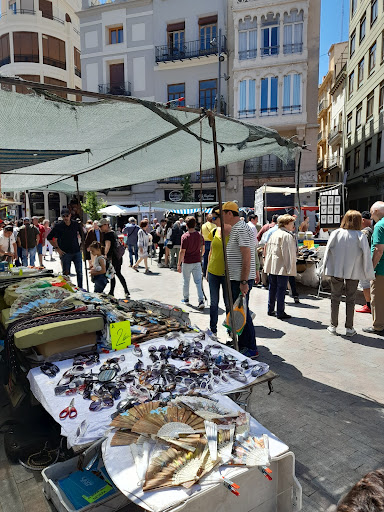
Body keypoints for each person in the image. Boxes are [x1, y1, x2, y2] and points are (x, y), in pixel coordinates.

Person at [322, 210, 375, 336]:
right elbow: (367, 256)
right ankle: (349, 328)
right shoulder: (360, 236)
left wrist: (323, 268)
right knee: (351, 299)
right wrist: (368, 272)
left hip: (336, 270)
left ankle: (333, 325)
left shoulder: (336, 233)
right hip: (354, 271)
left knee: (335, 298)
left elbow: (327, 252)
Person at [223, 201, 257, 357]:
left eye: (222, 214)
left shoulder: (241, 228)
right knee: (239, 312)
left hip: (240, 279)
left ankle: (251, 347)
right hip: (237, 278)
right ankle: (242, 343)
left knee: (243, 313)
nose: (221, 217)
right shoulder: (238, 228)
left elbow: (246, 256)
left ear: (229, 213)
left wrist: (244, 281)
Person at [264, 214, 297, 320]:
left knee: (272, 288)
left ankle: (270, 309)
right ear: (286, 224)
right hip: (282, 266)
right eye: (292, 223)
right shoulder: (287, 236)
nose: (293, 225)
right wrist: (289, 268)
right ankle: (280, 311)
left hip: (273, 266)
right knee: (281, 289)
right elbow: (287, 253)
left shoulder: (274, 233)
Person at [206, 206, 231, 335]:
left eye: (215, 218)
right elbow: (211, 251)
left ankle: (230, 329)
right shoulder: (215, 231)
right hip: (213, 272)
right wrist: (206, 269)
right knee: (214, 303)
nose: (213, 220)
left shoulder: (233, 232)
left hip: (227, 274)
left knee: (228, 303)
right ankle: (213, 330)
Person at [47, 208, 84, 288]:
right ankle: (67, 288)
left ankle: (80, 288)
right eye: (64, 216)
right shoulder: (58, 226)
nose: (65, 218)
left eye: (67, 216)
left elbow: (83, 235)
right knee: (66, 274)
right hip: (65, 252)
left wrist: (81, 246)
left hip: (76, 251)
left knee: (79, 272)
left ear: (70, 215)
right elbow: (49, 237)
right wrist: (57, 248)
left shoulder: (76, 224)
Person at [363, 201, 384, 335]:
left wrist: (371, 267)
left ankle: (378, 326)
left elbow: (378, 249)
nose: (371, 216)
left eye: (371, 213)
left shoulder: (379, 226)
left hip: (381, 269)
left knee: (377, 298)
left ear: (376, 211)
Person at [177, 216, 205, 309]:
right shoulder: (200, 235)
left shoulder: (184, 236)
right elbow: (203, 249)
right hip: (197, 261)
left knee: (186, 281)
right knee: (198, 282)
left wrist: (179, 264)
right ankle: (201, 300)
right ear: (195, 224)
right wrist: (200, 255)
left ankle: (186, 299)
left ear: (186, 225)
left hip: (187, 261)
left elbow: (182, 251)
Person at [99, 218, 130, 297]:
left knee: (112, 274)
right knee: (118, 273)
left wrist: (105, 254)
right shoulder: (113, 233)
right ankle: (126, 291)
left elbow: (108, 245)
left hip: (112, 257)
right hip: (118, 256)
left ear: (106, 225)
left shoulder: (107, 235)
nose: (100, 228)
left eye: (101, 226)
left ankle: (111, 292)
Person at [356, 211, 374, 314]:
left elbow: (363, 248)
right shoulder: (372, 230)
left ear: (362, 220)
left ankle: (369, 305)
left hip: (366, 262)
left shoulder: (365, 232)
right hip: (371, 261)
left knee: (365, 284)